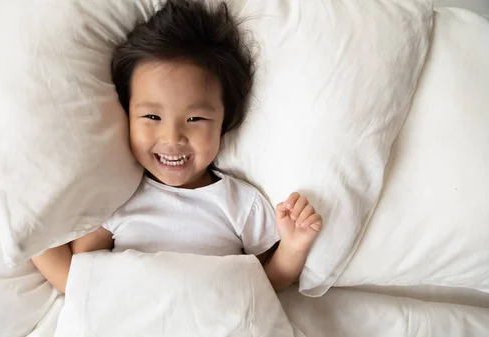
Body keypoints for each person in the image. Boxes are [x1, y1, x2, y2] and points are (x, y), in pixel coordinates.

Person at [32, 0, 323, 294]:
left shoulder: (242, 205)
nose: (173, 138)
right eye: (152, 117)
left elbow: (263, 286)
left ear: (224, 122)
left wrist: (294, 247)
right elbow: (81, 284)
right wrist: (32, 238)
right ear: (126, 115)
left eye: (195, 118)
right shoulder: (115, 198)